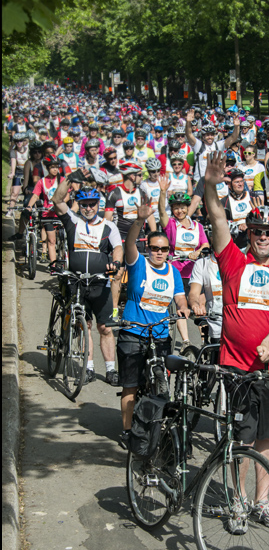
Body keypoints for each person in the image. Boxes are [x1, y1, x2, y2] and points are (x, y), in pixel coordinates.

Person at [204, 151, 269, 531]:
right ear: (250, 233)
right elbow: (216, 217)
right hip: (236, 366)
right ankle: (238, 501)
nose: (263, 237)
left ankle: (262, 501)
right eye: (257, 231)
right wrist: (211, 185)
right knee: (242, 440)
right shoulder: (233, 260)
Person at [117, 201, 190, 449]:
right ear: (148, 248)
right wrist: (139, 221)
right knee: (131, 385)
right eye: (155, 248)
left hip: (160, 334)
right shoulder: (138, 264)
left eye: (164, 249)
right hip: (133, 332)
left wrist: (183, 306)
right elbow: (129, 244)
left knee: (161, 386)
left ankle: (158, 426)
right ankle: (128, 431)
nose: (159, 252)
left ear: (169, 250)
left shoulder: (173, 272)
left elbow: (179, 295)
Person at [51, 174, 123, 385]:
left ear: (98, 204)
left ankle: (110, 370)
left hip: (100, 283)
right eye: (84, 204)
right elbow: (57, 200)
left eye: (92, 204)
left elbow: (117, 247)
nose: (89, 208)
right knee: (85, 325)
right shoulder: (73, 220)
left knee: (106, 328)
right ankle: (88, 368)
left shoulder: (108, 226)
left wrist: (116, 264)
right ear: (79, 204)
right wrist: (68, 179)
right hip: (77, 282)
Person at [158, 174, 210, 350]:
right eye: (176, 208)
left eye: (182, 207)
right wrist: (162, 193)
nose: (179, 211)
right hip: (177, 271)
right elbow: (161, 213)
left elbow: (205, 244)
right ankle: (186, 341)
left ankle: (205, 341)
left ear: (188, 208)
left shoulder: (198, 226)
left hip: (195, 272)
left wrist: (198, 252)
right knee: (181, 307)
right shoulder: (171, 224)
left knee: (200, 305)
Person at [105, 162, 157, 318]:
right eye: (140, 174)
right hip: (120, 239)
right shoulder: (115, 193)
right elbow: (107, 220)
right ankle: (114, 309)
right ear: (131, 176)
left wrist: (153, 234)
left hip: (139, 238)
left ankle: (139, 307)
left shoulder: (142, 193)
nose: (142, 178)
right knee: (118, 275)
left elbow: (150, 215)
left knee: (140, 276)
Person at [185, 108, 240, 182]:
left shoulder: (218, 145)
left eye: (211, 135)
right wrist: (188, 122)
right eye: (207, 135)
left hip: (214, 181)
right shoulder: (198, 145)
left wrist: (237, 126)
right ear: (203, 136)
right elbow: (189, 134)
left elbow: (233, 138)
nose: (210, 137)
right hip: (200, 181)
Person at [6, 132, 30, 217]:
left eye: (21, 141)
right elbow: (13, 162)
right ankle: (11, 209)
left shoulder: (28, 149)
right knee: (15, 192)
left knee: (30, 191)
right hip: (18, 171)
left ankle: (30, 208)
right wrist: (12, 173)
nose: (19, 143)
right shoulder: (14, 151)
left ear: (24, 141)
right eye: (17, 141)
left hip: (28, 171)